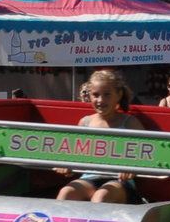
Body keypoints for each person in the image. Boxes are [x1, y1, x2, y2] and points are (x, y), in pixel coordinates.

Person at [57, 69, 148, 205]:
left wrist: (133, 167)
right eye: (96, 95)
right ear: (89, 96)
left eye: (107, 95)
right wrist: (66, 165)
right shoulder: (85, 122)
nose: (100, 100)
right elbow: (74, 153)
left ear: (118, 95)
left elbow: (148, 152)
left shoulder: (129, 122)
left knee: (101, 197)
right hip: (89, 177)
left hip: (119, 181)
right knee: (67, 193)